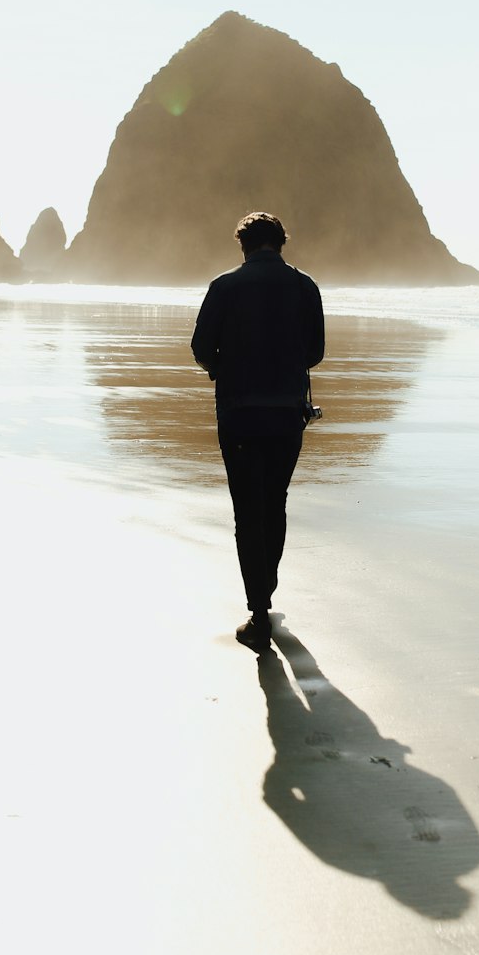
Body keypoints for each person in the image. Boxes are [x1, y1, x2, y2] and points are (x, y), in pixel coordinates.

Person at [192, 212, 324, 650]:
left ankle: (259, 611)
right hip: (287, 413)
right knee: (275, 502)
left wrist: (223, 366)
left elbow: (199, 348)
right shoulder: (305, 287)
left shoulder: (225, 286)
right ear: (281, 243)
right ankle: (265, 589)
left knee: (248, 510)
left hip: (239, 413)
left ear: (243, 245)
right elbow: (316, 352)